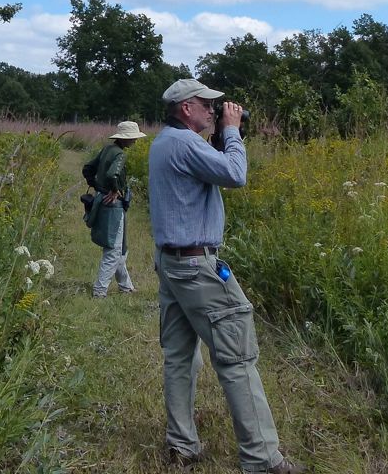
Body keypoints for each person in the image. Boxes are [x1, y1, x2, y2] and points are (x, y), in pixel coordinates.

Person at [148, 78, 304, 474]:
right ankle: (262, 459)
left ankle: (182, 444)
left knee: (180, 357)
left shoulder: (166, 141)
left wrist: (219, 134)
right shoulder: (185, 144)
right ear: (186, 108)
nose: (214, 111)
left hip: (172, 265)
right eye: (207, 105)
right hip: (197, 267)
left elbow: (208, 171)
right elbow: (235, 174)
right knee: (237, 358)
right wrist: (232, 132)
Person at [86, 120, 144, 297]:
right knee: (114, 249)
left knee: (120, 247)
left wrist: (97, 187)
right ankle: (100, 290)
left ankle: (126, 287)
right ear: (125, 139)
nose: (135, 141)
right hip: (113, 206)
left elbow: (87, 169)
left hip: (103, 202)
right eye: (132, 138)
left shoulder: (107, 149)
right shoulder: (120, 154)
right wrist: (113, 190)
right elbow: (113, 174)